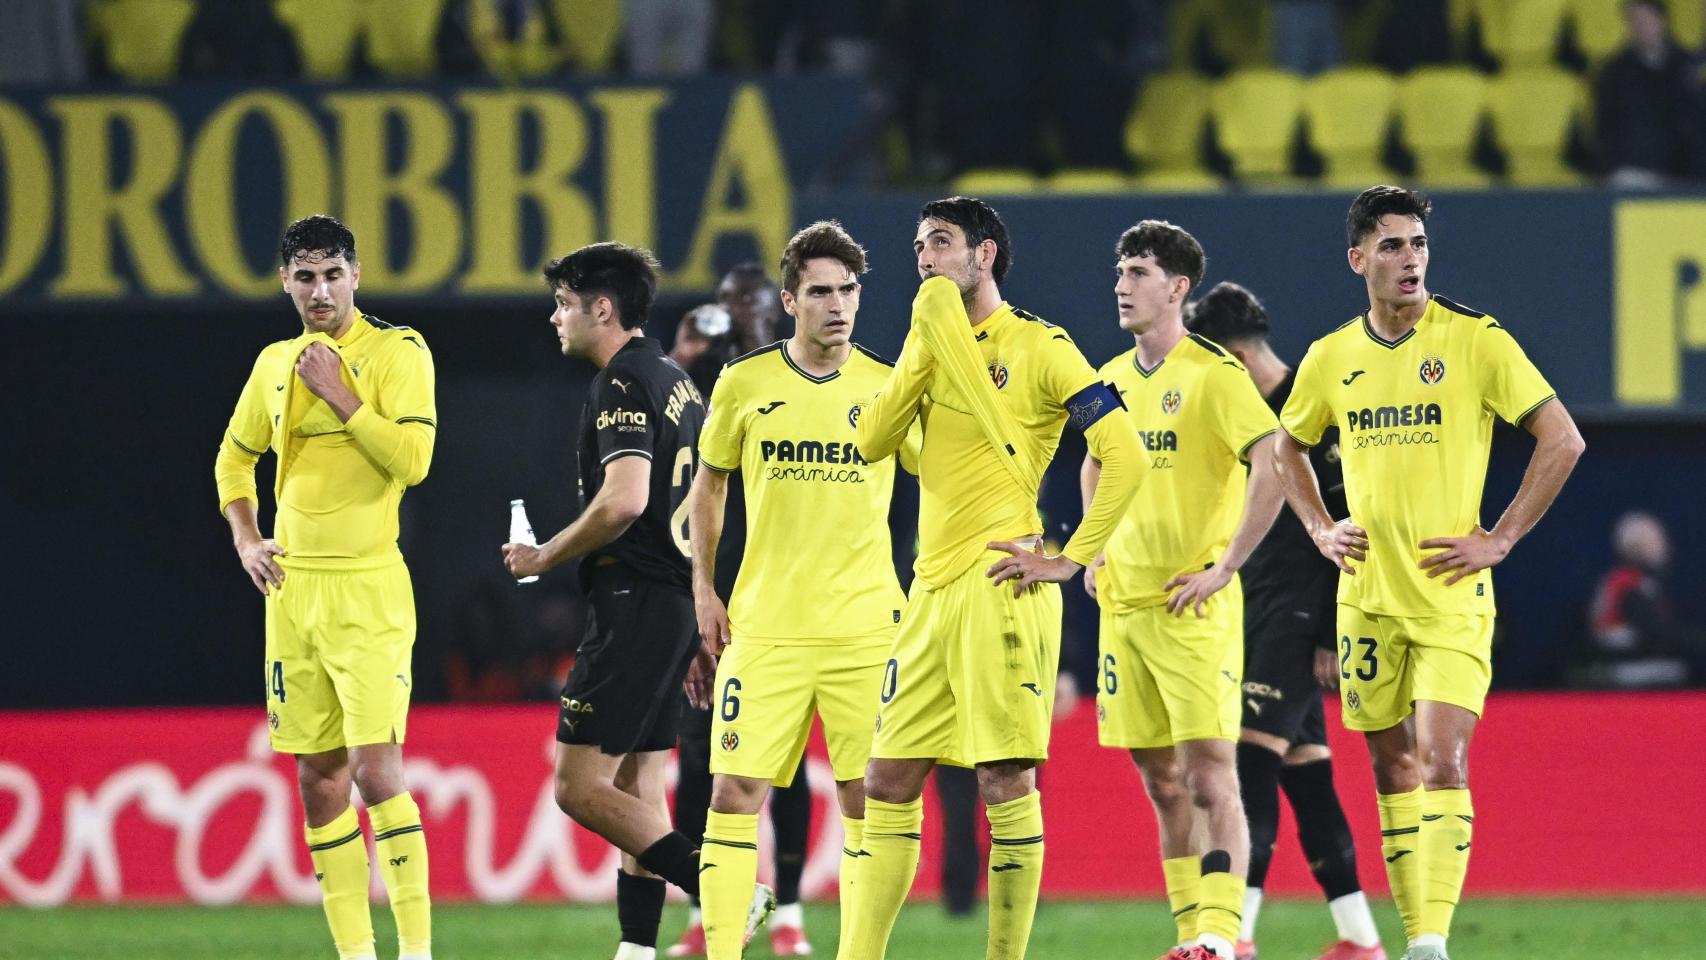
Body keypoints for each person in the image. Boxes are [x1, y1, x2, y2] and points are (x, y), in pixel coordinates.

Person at [1273, 186, 1584, 960]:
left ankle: (1432, 942)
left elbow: (1563, 440)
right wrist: (1319, 526)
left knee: (1443, 760)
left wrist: (1501, 538)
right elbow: (1285, 447)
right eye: (1391, 246)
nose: (1410, 259)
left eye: (1417, 244)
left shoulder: (1476, 340)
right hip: (1367, 601)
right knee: (1390, 763)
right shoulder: (1331, 357)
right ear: (1358, 259)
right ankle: (1417, 936)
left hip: (1450, 595)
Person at [841, 196, 1144, 960]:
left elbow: (1126, 453)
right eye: (917, 246)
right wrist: (924, 337)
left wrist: (1071, 559)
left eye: (940, 243)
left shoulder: (1042, 347)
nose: (923, 257)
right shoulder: (929, 342)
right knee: (885, 781)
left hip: (1000, 587)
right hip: (930, 591)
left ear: (985, 255)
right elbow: (874, 439)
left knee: (1004, 782)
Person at [501, 242, 771, 960]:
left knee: (577, 786)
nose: (554, 315)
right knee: (637, 783)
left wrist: (546, 554)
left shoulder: (623, 383)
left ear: (602, 308)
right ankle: (638, 948)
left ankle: (726, 891)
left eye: (564, 302)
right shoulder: (675, 379)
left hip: (636, 598)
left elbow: (625, 501)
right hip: (672, 599)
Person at [683, 220, 919, 959]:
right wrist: (704, 589)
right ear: (790, 300)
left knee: (865, 804)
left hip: (866, 629)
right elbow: (710, 484)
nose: (838, 305)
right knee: (730, 797)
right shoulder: (745, 382)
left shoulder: (888, 385)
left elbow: (942, 479)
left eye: (848, 290)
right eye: (820, 291)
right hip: (767, 628)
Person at [214, 214, 436, 960]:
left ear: (357, 275)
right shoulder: (273, 362)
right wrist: (247, 536)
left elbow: (413, 459)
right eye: (305, 277)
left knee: (377, 774)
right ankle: (356, 953)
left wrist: (341, 395)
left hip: (368, 589)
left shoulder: (397, 351)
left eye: (333, 274)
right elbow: (233, 461)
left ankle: (416, 950)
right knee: (319, 779)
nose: (320, 291)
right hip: (293, 593)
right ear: (284, 281)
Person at [1081, 224, 1283, 960]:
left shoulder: (1214, 374)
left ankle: (1224, 936)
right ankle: (1189, 936)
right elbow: (1094, 464)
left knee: (1208, 778)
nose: (1121, 285)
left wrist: (1227, 565)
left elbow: (1274, 460)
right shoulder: (1106, 380)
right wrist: (1093, 549)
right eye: (1119, 270)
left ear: (1177, 288)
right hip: (1124, 610)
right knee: (1161, 781)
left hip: (1191, 608)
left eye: (1137, 271)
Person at [1185, 282, 1386, 960]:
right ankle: (1360, 939)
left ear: (1235, 356)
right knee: (1306, 774)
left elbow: (1349, 517)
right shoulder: (1248, 410)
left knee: (1247, 767)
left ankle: (1234, 931)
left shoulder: (1308, 409)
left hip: (1299, 613)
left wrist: (1333, 628)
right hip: (1263, 605)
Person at [667, 289, 816, 959]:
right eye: (734, 312)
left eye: (755, 313)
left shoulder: (796, 390)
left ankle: (788, 912)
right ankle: (708, 911)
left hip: (786, 607)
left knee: (786, 770)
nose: (744, 327)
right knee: (701, 761)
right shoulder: (719, 393)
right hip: (711, 603)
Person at [1578, 510, 1702, 688]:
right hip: (1624, 663)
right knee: (1685, 669)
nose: (1664, 547)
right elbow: (1655, 633)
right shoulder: (1629, 586)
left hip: (1623, 658)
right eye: (1657, 540)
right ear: (1638, 547)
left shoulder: (1623, 580)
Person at [1593, 0, 1697, 188]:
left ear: (1662, 20)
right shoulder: (1614, 72)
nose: (1640, 26)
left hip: (1685, 175)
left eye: (1645, 19)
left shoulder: (1689, 68)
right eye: (1633, 21)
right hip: (1633, 174)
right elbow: (1605, 125)